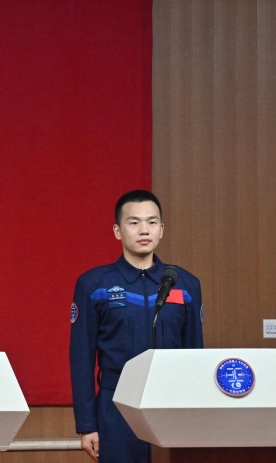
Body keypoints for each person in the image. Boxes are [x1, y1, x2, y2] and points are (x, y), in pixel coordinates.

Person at [69, 190, 203, 463]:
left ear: (162, 229)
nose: (144, 230)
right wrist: (87, 425)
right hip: (116, 405)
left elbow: (195, 356)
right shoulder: (94, 285)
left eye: (152, 222)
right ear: (118, 231)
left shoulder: (185, 284)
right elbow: (81, 358)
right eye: (134, 222)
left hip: (171, 403)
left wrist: (195, 415)